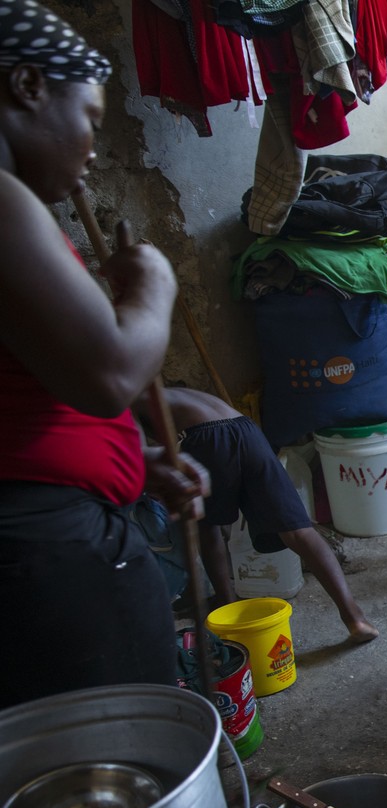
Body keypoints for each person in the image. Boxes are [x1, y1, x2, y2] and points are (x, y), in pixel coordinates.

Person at [0, 0, 207, 709]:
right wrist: (155, 287)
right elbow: (112, 373)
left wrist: (131, 465)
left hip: (38, 520)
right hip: (42, 548)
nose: (92, 145)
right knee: (117, 749)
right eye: (88, 118)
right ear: (28, 87)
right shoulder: (1, 202)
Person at [134, 387, 379, 643]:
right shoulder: (171, 393)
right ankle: (355, 618)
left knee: (207, 528)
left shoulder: (123, 401)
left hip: (205, 437)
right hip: (247, 430)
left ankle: (228, 613)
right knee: (298, 531)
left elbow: (137, 459)